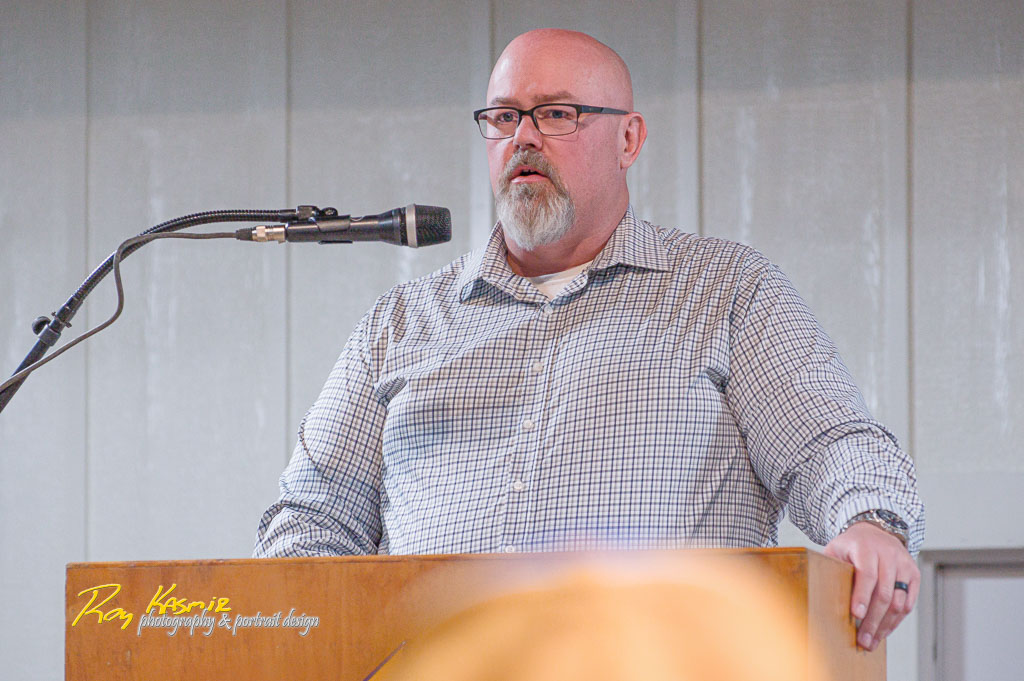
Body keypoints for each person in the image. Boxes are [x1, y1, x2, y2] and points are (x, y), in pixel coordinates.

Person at [255, 28, 924, 652]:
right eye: (504, 116)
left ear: (629, 139)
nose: (523, 137)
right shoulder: (401, 323)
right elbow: (311, 519)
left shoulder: (726, 291)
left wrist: (869, 523)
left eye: (557, 114)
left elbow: (829, 445)